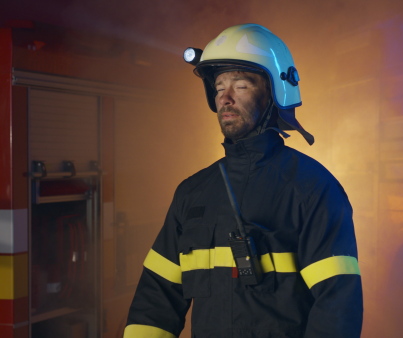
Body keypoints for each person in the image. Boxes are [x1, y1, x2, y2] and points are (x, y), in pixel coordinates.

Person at [123, 23, 363, 338]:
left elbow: (337, 308)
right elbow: (155, 301)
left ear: (275, 92)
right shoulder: (192, 193)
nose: (226, 97)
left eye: (241, 84)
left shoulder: (312, 188)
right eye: (219, 86)